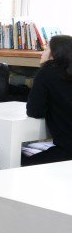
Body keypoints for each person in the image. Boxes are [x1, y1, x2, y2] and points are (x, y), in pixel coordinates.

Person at [24, 34, 72, 165]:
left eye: (46, 49)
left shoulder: (47, 72)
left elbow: (34, 111)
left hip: (67, 152)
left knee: (22, 164)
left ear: (54, 54)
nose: (42, 53)